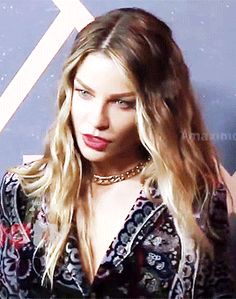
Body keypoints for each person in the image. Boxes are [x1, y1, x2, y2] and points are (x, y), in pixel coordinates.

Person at [0, 7, 233, 299]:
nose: (96, 120)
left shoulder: (195, 199)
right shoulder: (23, 192)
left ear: (157, 109)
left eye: (122, 103)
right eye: (85, 93)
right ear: (68, 92)